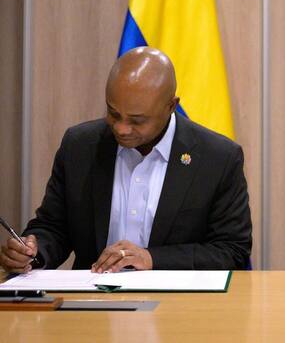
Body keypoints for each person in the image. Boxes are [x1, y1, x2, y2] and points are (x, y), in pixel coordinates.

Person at [0, 47, 252, 273]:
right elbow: (53, 227)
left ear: (171, 106)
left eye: (137, 120)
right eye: (113, 113)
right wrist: (32, 253)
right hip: (91, 300)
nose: (121, 129)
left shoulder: (218, 158)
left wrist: (152, 259)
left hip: (177, 304)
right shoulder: (79, 146)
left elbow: (232, 251)